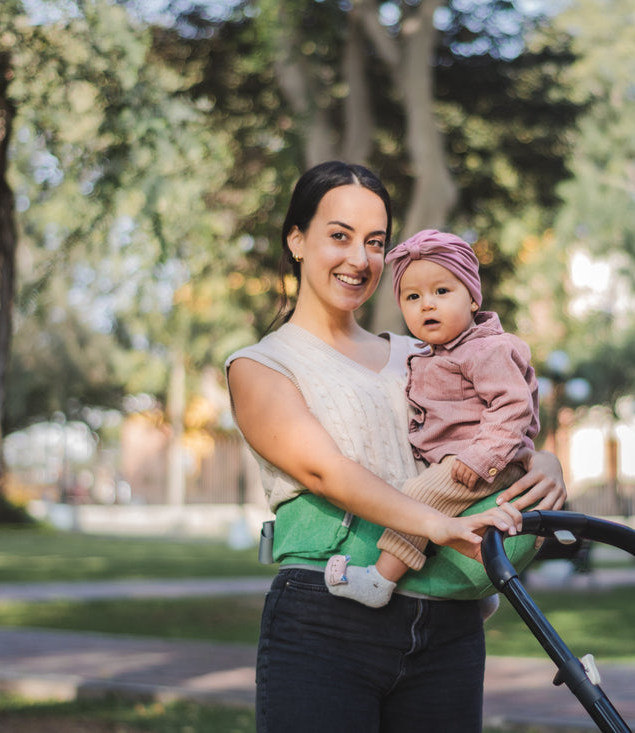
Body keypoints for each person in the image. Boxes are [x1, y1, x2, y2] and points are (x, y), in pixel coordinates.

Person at [225, 160, 567, 733]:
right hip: (327, 616)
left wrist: (545, 460)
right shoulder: (261, 366)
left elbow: (496, 423)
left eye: (375, 242)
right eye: (340, 236)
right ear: (297, 239)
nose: (359, 260)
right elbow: (326, 473)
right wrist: (432, 524)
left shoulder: (425, 351)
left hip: (447, 623)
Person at [325, 229, 540, 608]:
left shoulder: (486, 349)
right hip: (461, 461)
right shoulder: (432, 354)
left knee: (416, 499)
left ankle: (379, 580)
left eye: (442, 292)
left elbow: (513, 406)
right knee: (429, 502)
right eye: (413, 297)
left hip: (489, 461)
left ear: (473, 297)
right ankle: (473, 592)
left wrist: (481, 458)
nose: (427, 305)